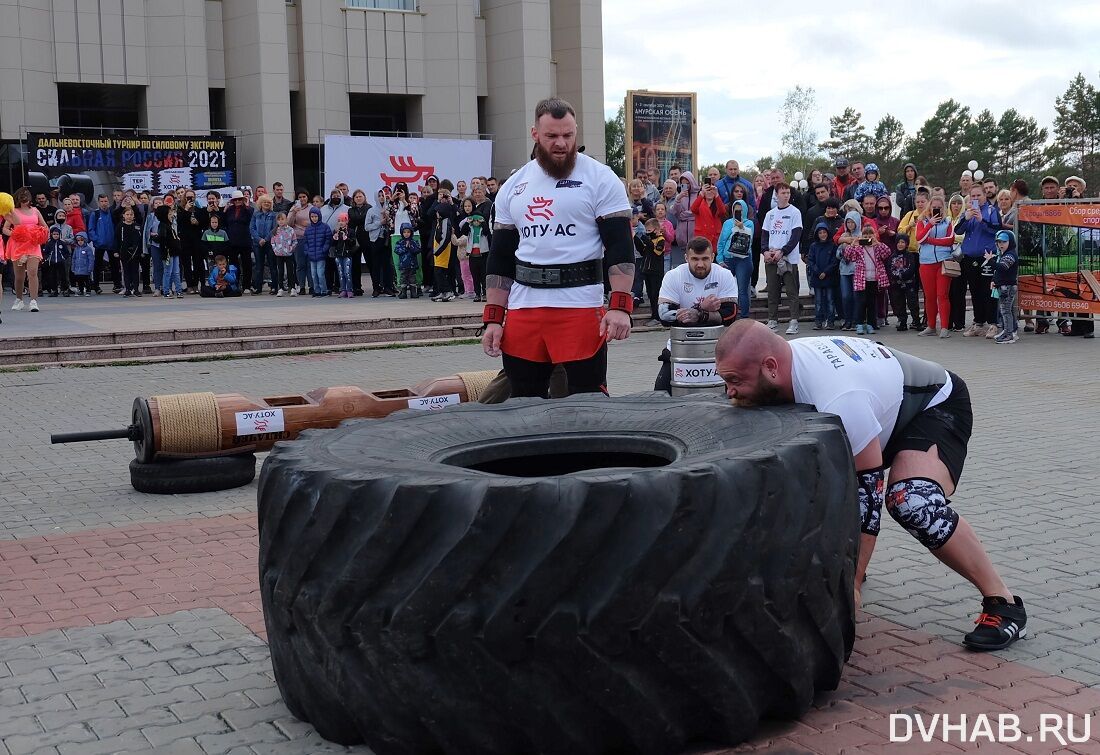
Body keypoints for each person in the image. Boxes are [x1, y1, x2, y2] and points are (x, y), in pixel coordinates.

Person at [714, 320, 1028, 650]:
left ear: (770, 367)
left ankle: (1004, 604)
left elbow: (867, 497)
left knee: (911, 501)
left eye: (735, 381)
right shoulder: (784, 370)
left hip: (934, 405)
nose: (729, 392)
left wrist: (853, 584)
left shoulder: (839, 396)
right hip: (878, 407)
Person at [481, 97, 634, 398]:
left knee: (586, 400)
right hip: (525, 309)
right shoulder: (514, 185)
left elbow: (619, 248)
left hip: (580, 307)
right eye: (552, 136)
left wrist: (619, 307)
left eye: (568, 135)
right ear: (535, 134)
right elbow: (500, 258)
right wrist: (493, 319)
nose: (561, 143)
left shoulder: (601, 178)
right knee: (522, 401)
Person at [653, 236, 738, 392]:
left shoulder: (724, 275)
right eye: (695, 259)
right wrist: (704, 309)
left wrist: (697, 314)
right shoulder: (674, 276)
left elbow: (730, 315)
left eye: (705, 258)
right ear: (686, 258)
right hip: (680, 349)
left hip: (718, 350)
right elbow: (664, 316)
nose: (700, 264)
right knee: (660, 393)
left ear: (713, 257)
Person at [955, 185, 1000, 337]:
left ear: (984, 195)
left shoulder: (991, 211)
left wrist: (981, 220)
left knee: (989, 290)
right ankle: (978, 322)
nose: (975, 198)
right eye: (972, 196)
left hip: (987, 257)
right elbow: (957, 231)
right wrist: (966, 218)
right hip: (969, 257)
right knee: (974, 291)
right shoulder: (967, 213)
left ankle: (993, 323)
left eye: (978, 195)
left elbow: (996, 229)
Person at [760, 182, 803, 335]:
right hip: (771, 258)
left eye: (788, 193)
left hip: (788, 258)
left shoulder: (795, 212)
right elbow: (764, 235)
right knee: (772, 290)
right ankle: (772, 320)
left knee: (791, 291)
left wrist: (783, 251)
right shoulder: (770, 214)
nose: (786, 195)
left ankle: (794, 320)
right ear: (776, 195)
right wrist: (765, 251)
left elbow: (796, 235)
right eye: (783, 193)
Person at [5, 187, 50, 311]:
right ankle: (19, 299)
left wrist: (41, 233)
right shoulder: (13, 211)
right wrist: (15, 234)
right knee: (19, 276)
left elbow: (45, 226)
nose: (25, 201)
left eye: (27, 198)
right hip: (18, 246)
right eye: (22, 198)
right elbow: (5, 229)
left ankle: (33, 301)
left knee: (33, 272)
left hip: (33, 245)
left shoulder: (35, 211)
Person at [843, 222, 890, 335]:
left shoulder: (877, 247)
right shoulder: (859, 248)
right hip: (861, 280)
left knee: (871, 303)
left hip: (873, 280)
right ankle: (859, 324)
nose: (868, 238)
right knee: (860, 302)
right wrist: (853, 243)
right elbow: (848, 256)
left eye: (870, 235)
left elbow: (887, 253)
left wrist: (877, 243)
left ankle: (870, 324)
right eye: (865, 236)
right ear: (862, 237)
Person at [715, 198, 754, 320]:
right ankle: (728, 314)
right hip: (728, 258)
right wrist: (720, 259)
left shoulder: (749, 223)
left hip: (743, 259)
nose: (738, 212)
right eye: (736, 210)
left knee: (742, 289)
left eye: (740, 211)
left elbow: (750, 240)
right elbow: (721, 241)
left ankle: (744, 316)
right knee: (725, 288)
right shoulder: (727, 223)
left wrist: (741, 228)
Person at [806, 220, 839, 330]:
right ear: (817, 234)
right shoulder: (814, 246)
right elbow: (810, 261)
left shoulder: (832, 246)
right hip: (817, 277)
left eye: (824, 232)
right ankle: (818, 321)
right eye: (820, 233)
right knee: (818, 301)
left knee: (830, 300)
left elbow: (834, 261)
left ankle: (830, 321)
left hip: (829, 277)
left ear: (827, 233)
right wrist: (818, 272)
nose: (822, 235)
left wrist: (825, 272)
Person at [634, 218, 667, 326]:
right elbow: (643, 251)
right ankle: (654, 315)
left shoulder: (661, 240)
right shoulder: (650, 240)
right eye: (646, 231)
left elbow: (657, 252)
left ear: (656, 229)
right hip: (647, 271)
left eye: (649, 231)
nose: (647, 233)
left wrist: (646, 239)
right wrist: (636, 238)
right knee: (650, 294)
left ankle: (657, 317)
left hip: (656, 272)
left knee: (655, 294)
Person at [989, 230, 1020, 344]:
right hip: (1003, 286)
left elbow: (1002, 268)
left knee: (1006, 311)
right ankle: (1009, 331)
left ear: (1010, 242)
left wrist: (990, 261)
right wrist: (994, 280)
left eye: (1003, 242)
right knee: (1007, 311)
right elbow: (998, 272)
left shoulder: (1010, 255)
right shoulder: (1003, 254)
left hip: (1007, 287)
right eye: (998, 242)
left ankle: (1009, 334)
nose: (1000, 244)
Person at [887, 234, 920, 331]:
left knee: (912, 303)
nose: (900, 244)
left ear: (907, 244)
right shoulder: (892, 256)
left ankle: (916, 321)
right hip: (896, 284)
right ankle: (902, 321)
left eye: (903, 242)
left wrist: (904, 275)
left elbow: (912, 268)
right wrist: (896, 276)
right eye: (898, 242)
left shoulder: (910, 255)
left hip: (909, 283)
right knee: (899, 303)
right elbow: (890, 268)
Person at [835, 210, 861, 331]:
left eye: (852, 222)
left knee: (856, 296)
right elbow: (838, 254)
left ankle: (856, 320)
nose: (850, 225)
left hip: (857, 270)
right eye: (848, 222)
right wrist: (844, 246)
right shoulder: (844, 236)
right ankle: (847, 320)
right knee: (845, 296)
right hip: (845, 269)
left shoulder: (861, 235)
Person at [86, 194, 117, 293]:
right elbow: (91, 229)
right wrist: (97, 240)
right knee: (97, 265)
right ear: (99, 202)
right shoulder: (95, 214)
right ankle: (96, 285)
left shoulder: (112, 213)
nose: (104, 203)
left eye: (106, 201)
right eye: (102, 201)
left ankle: (117, 285)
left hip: (111, 244)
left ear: (109, 202)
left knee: (114, 265)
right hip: (100, 244)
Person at [301, 206, 332, 297]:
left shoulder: (325, 227)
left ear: (319, 216)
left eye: (316, 216)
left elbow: (328, 240)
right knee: (313, 274)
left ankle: (324, 290)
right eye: (312, 217)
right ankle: (316, 290)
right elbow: (305, 241)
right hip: (311, 255)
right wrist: (307, 251)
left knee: (320, 273)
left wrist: (323, 250)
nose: (314, 218)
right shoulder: (308, 228)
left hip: (321, 255)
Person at [249, 195, 277, 294]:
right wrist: (259, 239)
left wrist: (265, 239)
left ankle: (274, 287)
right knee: (258, 266)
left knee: (272, 265)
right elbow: (252, 228)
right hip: (257, 243)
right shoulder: (255, 214)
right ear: (260, 203)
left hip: (269, 243)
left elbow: (274, 229)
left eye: (269, 202)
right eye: (264, 202)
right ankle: (258, 287)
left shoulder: (274, 215)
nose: (266, 204)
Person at [690, 178, 727, 252]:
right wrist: (701, 194)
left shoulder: (718, 203)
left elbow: (723, 212)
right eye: (707, 190)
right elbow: (693, 209)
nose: (709, 192)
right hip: (702, 238)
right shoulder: (700, 202)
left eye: (711, 190)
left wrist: (717, 195)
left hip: (714, 238)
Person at [288, 190, 313, 296]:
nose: (302, 199)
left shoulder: (312, 208)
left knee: (309, 264)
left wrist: (307, 223)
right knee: (300, 264)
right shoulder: (294, 208)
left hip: (309, 237)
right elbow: (288, 223)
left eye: (304, 196)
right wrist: (294, 213)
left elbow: (316, 220)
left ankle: (311, 286)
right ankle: (301, 286)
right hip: (298, 238)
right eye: (300, 197)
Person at [155, 203, 183, 299]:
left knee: (176, 272)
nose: (172, 215)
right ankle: (166, 291)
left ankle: (179, 290)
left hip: (175, 252)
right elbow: (162, 238)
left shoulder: (170, 225)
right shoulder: (163, 225)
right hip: (167, 253)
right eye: (169, 214)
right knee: (168, 272)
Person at [116, 206, 143, 297]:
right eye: (127, 214)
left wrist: (142, 251)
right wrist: (116, 251)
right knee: (126, 271)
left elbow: (141, 240)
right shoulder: (120, 226)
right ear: (123, 215)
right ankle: (127, 288)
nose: (129, 216)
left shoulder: (137, 226)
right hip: (124, 252)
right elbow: (117, 239)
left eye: (131, 214)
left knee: (135, 271)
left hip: (135, 252)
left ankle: (135, 289)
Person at [330, 213, 358, 298]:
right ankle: (343, 289)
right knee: (341, 273)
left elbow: (353, 242)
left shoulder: (350, 231)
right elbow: (333, 244)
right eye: (339, 221)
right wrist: (334, 239)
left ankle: (349, 289)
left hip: (347, 254)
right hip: (338, 255)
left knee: (347, 273)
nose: (341, 223)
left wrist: (347, 239)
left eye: (343, 220)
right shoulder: (336, 231)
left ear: (347, 221)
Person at [270, 212, 296, 296]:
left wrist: (291, 249)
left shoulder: (291, 230)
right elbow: (272, 242)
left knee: (290, 271)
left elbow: (294, 241)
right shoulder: (275, 231)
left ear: (286, 220)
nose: (281, 221)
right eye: (279, 219)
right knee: (280, 271)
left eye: (282, 219)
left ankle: (292, 287)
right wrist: (275, 250)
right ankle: (280, 288)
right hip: (279, 254)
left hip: (288, 254)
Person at [394, 223, 421, 299]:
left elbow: (418, 250)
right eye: (404, 232)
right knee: (403, 279)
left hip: (412, 265)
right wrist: (405, 247)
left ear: (411, 233)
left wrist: (411, 247)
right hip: (403, 265)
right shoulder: (400, 242)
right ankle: (403, 293)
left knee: (412, 279)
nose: (406, 234)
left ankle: (413, 292)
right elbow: (397, 250)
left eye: (408, 232)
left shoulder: (414, 242)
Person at [42, 225, 70, 298]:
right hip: (52, 262)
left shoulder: (62, 243)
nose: (56, 236)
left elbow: (66, 252)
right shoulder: (49, 243)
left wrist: (64, 258)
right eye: (54, 234)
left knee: (63, 276)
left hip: (61, 262)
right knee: (52, 277)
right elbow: (45, 252)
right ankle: (54, 290)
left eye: (57, 234)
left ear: (59, 235)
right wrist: (47, 258)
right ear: (51, 234)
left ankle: (65, 290)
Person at [70, 231, 96, 296]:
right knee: (79, 281)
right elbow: (73, 259)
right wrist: (73, 267)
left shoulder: (88, 249)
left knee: (86, 280)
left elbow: (91, 259)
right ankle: (81, 290)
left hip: (85, 269)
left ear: (85, 240)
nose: (80, 242)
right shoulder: (76, 249)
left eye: (82, 240)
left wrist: (90, 268)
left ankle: (88, 291)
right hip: (78, 269)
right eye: (78, 240)